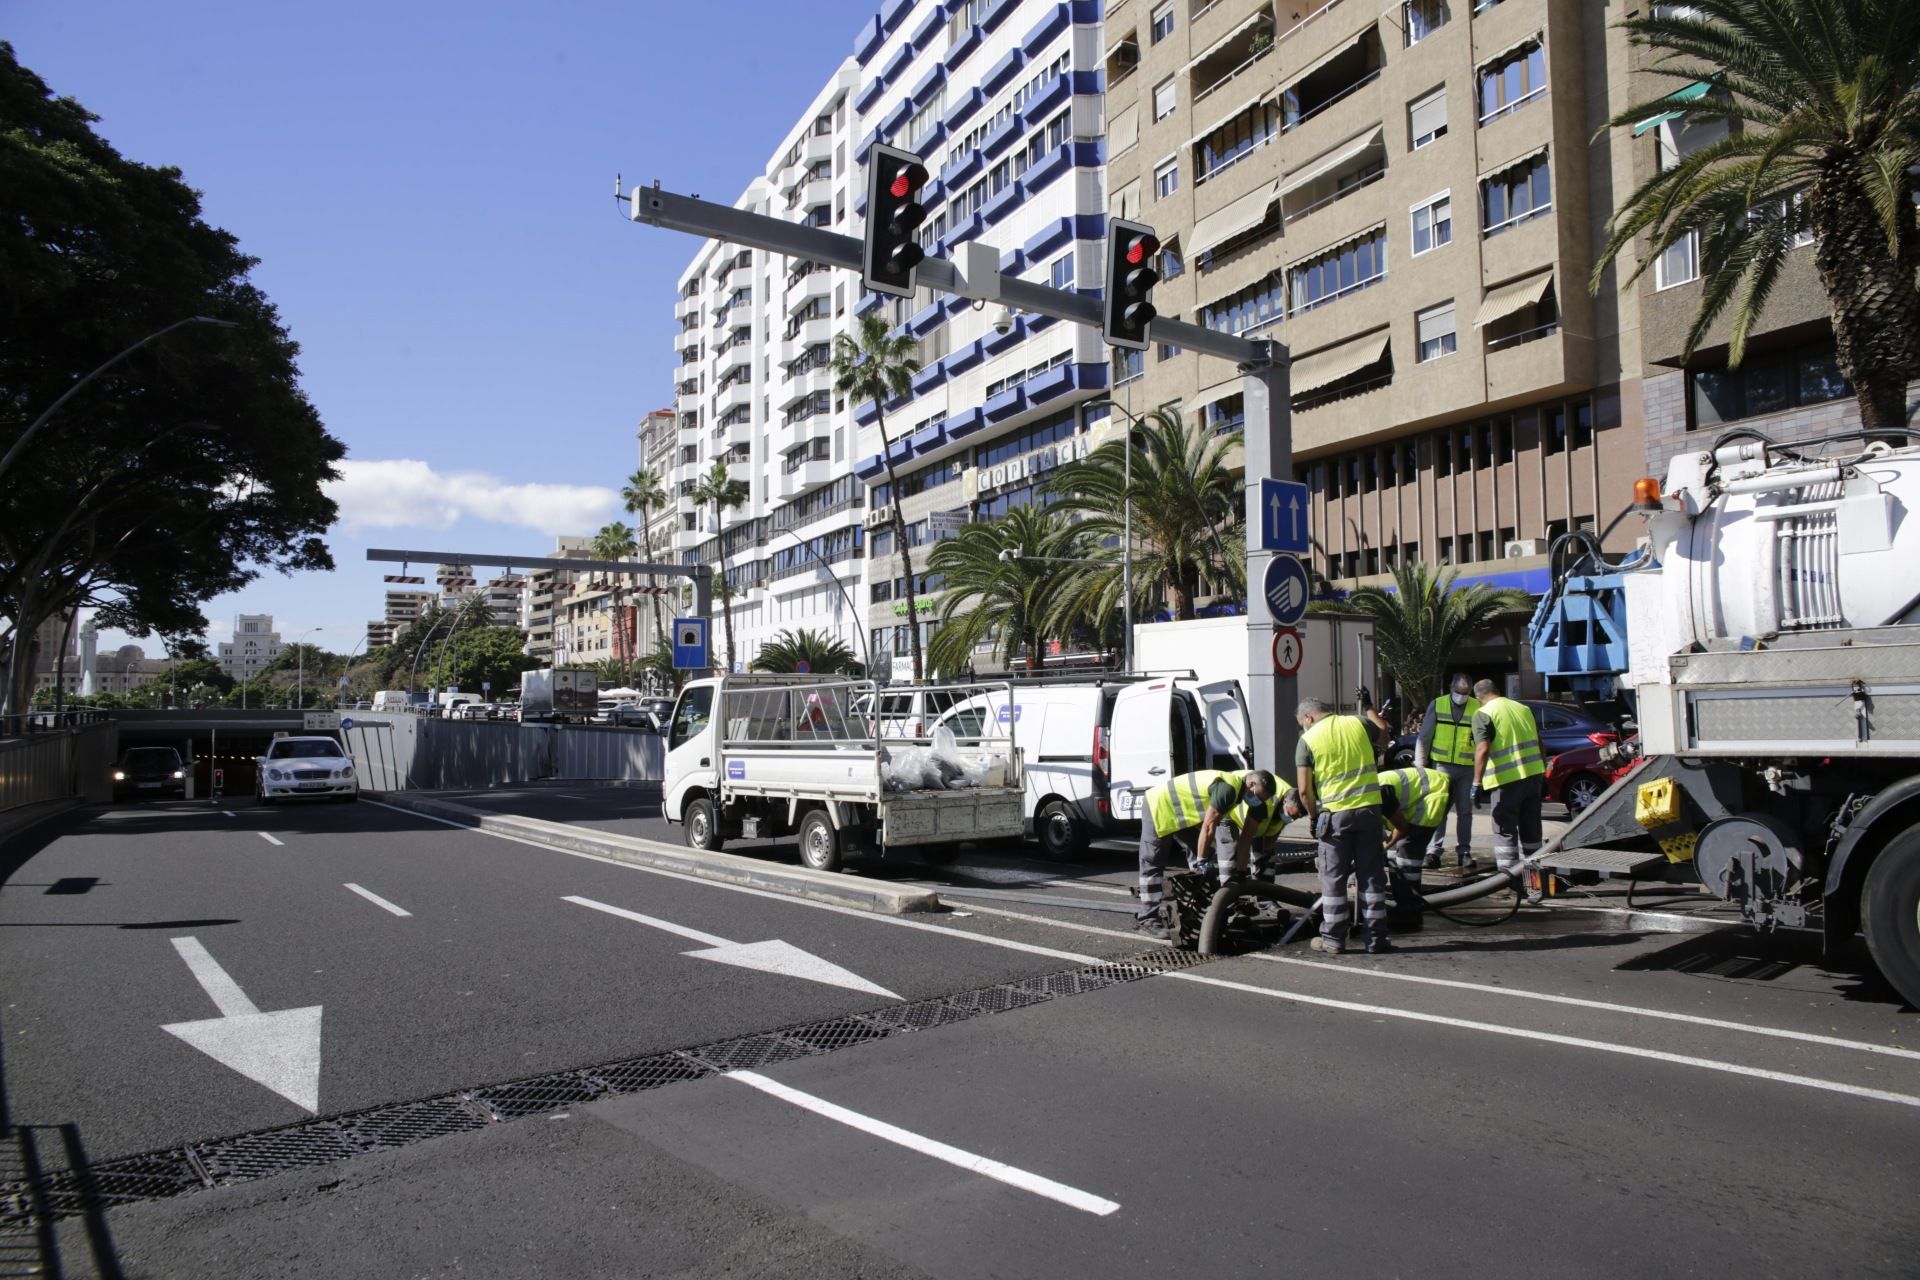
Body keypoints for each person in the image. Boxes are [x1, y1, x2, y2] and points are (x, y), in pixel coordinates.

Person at [1134, 768, 1300, 939]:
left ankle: (1199, 911)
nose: (1259, 802)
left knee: (1202, 858)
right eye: (1259, 797)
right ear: (1251, 785)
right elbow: (1209, 827)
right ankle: (1147, 919)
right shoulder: (1227, 790)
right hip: (1160, 806)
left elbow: (1244, 842)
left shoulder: (1245, 797)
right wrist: (1202, 860)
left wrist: (1241, 873)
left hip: (1184, 816)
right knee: (1153, 861)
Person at [1296, 693, 1394, 955]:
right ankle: (1376, 939)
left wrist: (1314, 817)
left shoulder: (1307, 740)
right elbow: (1385, 736)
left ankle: (1334, 939)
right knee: (1372, 877)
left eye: (1301, 723)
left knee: (1334, 880)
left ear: (1308, 717)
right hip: (1369, 812)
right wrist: (1373, 711)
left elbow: (1304, 791)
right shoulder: (1359, 723)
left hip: (1335, 817)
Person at [1469, 679, 1547, 904]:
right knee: (1532, 833)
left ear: (1478, 698)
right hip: (1533, 777)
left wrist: (1476, 783)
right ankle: (1534, 887)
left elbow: (1482, 749)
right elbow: (1539, 742)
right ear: (1498, 691)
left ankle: (1509, 886)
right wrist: (1542, 771)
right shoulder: (1522, 708)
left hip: (1506, 782)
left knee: (1505, 833)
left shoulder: (1483, 713)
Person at [1417, 673, 1480, 872]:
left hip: (1467, 767)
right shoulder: (1438, 704)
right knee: (1439, 810)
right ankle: (1433, 852)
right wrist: (1421, 765)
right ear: (1451, 688)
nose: (1461, 696)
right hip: (1441, 766)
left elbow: (1482, 741)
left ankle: (1464, 852)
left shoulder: (1476, 707)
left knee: (1465, 812)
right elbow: (1424, 736)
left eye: (1465, 693)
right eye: (1458, 692)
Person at [1376, 765, 1452, 927]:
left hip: (1433, 793)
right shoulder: (1364, 797)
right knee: (1393, 856)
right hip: (1423, 790)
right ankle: (1404, 907)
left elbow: (1402, 828)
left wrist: (1385, 845)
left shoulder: (1380, 793)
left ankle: (1410, 913)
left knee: (1406, 855)